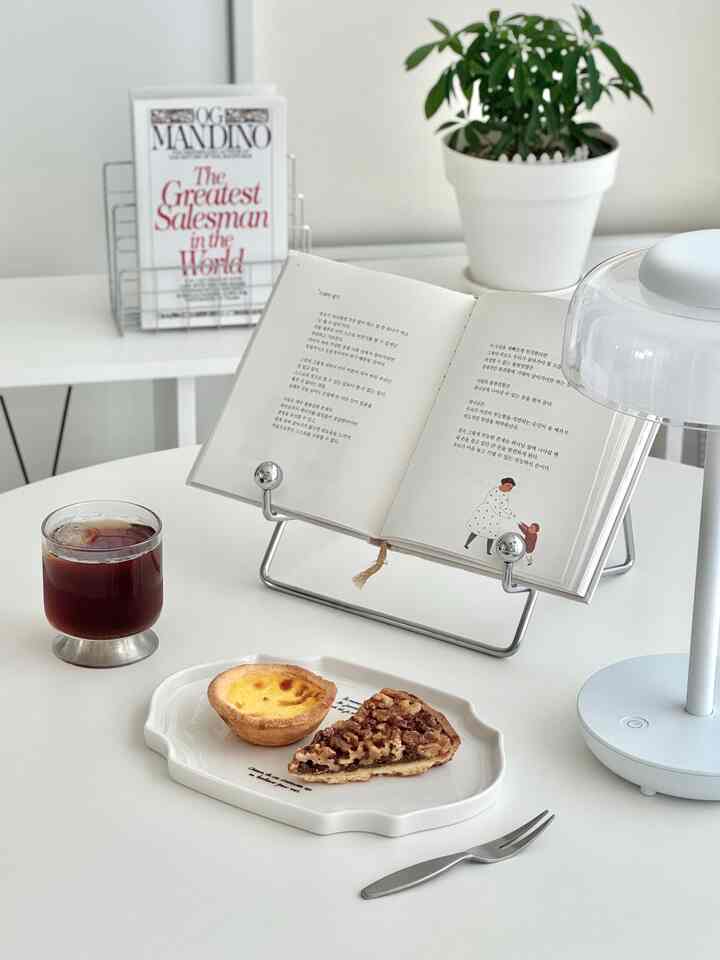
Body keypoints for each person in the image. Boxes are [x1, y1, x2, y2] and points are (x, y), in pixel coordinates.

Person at [464, 478, 516, 555]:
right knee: (477, 529)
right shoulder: (494, 490)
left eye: (511, 488)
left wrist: (510, 513)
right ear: (503, 484)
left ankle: (488, 551)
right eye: (508, 486)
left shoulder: (505, 495)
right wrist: (504, 514)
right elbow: (493, 504)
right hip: (485, 513)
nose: (509, 488)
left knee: (492, 533)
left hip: (495, 517)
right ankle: (467, 544)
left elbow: (504, 506)